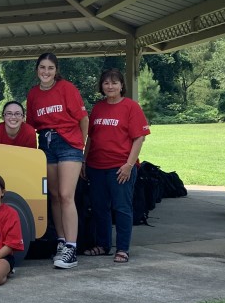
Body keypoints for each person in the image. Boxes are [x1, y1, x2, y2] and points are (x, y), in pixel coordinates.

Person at [26, 52, 88, 270]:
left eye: (50, 68)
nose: (46, 72)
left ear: (56, 70)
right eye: (42, 67)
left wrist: (80, 148)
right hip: (46, 143)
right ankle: (61, 241)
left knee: (65, 195)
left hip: (68, 143)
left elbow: (83, 119)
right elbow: (31, 124)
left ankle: (72, 246)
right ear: (37, 70)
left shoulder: (66, 88)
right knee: (53, 196)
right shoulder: (33, 94)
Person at [84, 68, 150, 264]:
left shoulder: (131, 107)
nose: (110, 86)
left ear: (122, 85)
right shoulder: (97, 108)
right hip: (96, 167)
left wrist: (129, 165)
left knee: (122, 208)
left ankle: (122, 249)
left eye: (114, 83)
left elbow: (139, 138)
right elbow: (90, 137)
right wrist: (84, 161)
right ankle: (104, 245)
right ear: (101, 86)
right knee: (99, 208)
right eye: (106, 83)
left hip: (120, 168)